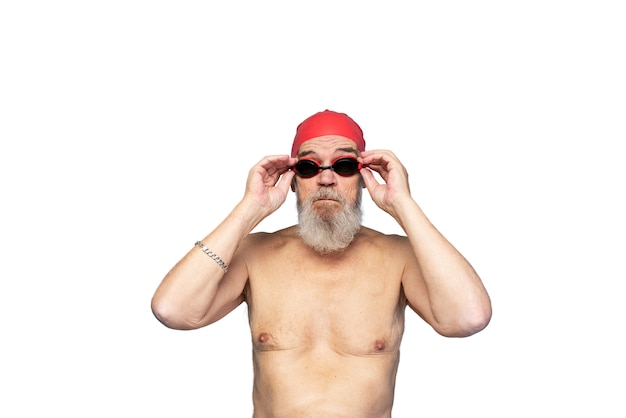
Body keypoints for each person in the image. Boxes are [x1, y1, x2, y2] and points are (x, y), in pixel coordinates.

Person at [151, 109, 492, 417]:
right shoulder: (255, 254)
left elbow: (468, 318)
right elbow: (173, 309)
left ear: (363, 176)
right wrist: (249, 210)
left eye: (344, 166)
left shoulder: (398, 257)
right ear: (294, 179)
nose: (326, 179)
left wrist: (403, 205)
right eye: (308, 167)